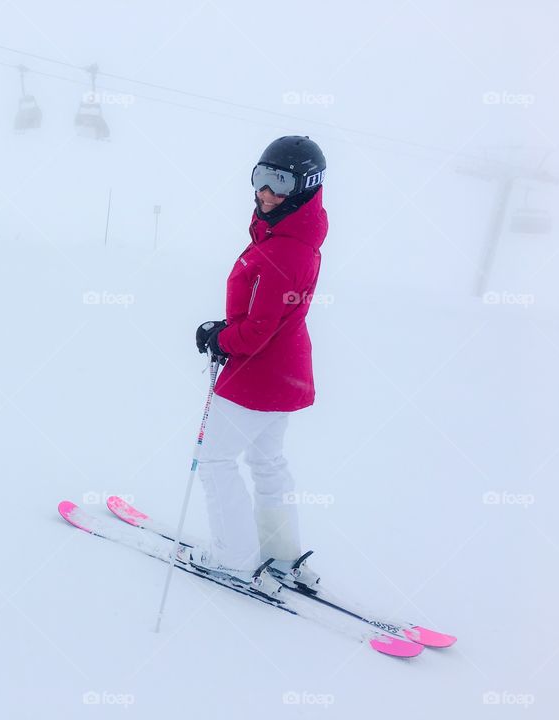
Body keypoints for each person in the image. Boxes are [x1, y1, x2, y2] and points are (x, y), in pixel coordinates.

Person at [187, 135, 328, 588]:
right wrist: (230, 329)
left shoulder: (285, 248)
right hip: (286, 375)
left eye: (280, 182)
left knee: (214, 461)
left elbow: (257, 330)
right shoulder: (296, 238)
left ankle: (233, 555)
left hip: (258, 377)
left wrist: (221, 337)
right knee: (267, 462)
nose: (266, 193)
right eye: (261, 177)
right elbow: (268, 317)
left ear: (306, 187)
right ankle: (282, 553)